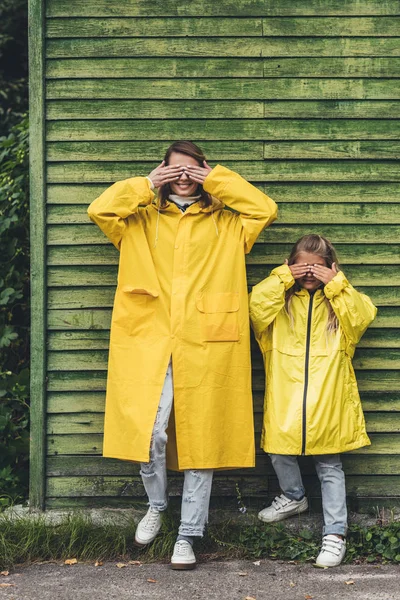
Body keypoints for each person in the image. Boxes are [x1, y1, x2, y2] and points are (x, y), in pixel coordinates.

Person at [87, 141, 277, 569]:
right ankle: (157, 505)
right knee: (150, 430)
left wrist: (218, 179)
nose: (185, 178)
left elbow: (264, 208)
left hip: (207, 340)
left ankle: (189, 534)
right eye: (176, 171)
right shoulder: (137, 221)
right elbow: (100, 210)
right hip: (148, 337)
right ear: (162, 173)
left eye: (193, 171)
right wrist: (146, 183)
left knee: (201, 437)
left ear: (205, 173)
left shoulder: (230, 225)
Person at [249, 234, 377, 568]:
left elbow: (363, 315)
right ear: (290, 265)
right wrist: (282, 277)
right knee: (277, 451)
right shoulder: (279, 303)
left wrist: (336, 285)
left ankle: (335, 534)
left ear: (331, 269)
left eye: (317, 268)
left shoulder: (339, 305)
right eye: (302, 266)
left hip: (328, 401)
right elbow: (255, 307)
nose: (309, 273)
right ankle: (294, 497)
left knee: (329, 466)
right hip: (285, 397)